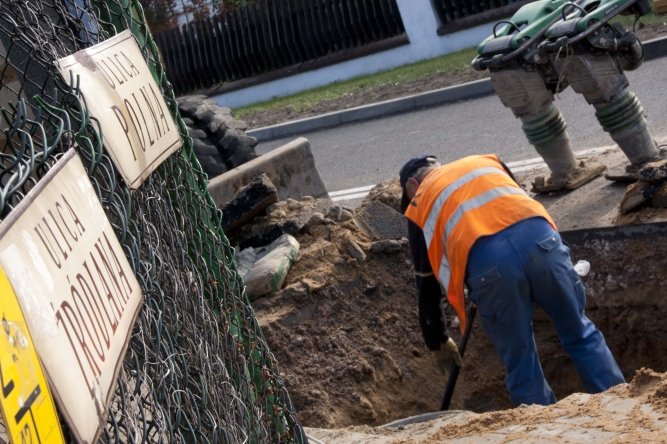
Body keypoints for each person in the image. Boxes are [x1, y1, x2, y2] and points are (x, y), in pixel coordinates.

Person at [400, 153, 625, 406]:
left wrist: (437, 339)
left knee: (521, 361)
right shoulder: (486, 162)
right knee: (580, 332)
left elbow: (426, 282)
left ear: (412, 186)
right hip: (544, 246)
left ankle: (542, 429)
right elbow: (515, 208)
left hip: (491, 269)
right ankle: (620, 407)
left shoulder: (419, 201)